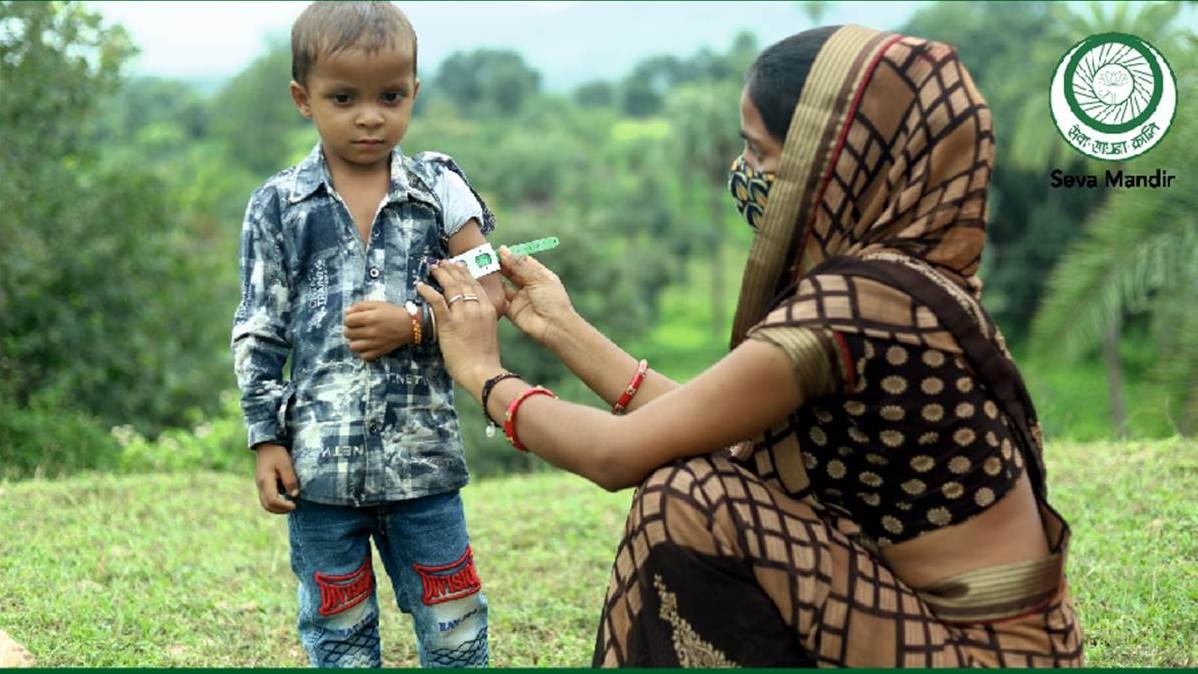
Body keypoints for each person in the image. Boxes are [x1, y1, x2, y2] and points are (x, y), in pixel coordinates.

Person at [414, 25, 1084, 667]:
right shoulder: (911, 278)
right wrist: (559, 324)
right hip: (971, 629)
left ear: (837, 159)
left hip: (975, 651)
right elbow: (716, 428)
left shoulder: (859, 306)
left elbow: (617, 457)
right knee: (702, 476)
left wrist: (482, 372)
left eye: (762, 154)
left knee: (688, 499)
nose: (746, 174)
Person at [230, 2, 503, 667]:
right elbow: (258, 326)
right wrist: (266, 439)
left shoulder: (440, 189)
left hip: (425, 469)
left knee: (456, 630)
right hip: (319, 474)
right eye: (343, 98)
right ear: (304, 98)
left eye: (390, 96)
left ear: (413, 91)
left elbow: (488, 290)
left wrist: (415, 324)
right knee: (341, 636)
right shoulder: (277, 205)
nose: (370, 115)